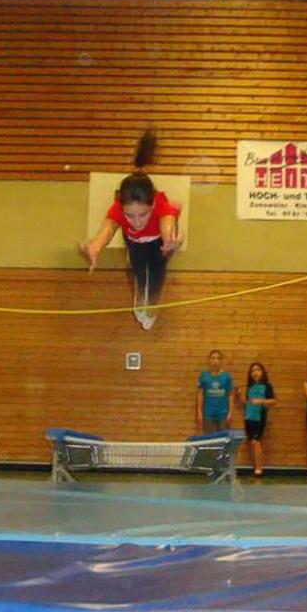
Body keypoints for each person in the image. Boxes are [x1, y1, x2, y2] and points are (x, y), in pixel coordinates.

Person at [78, 130, 182, 330]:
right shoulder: (117, 209)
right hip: (134, 245)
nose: (136, 222)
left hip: (158, 244)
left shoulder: (160, 204)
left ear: (152, 206)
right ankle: (140, 300)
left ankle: (152, 307)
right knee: (140, 274)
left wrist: (169, 239)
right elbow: (106, 230)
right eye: (130, 216)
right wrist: (94, 248)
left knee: (156, 277)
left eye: (142, 215)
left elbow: (167, 223)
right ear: (122, 207)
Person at [237, 361, 276, 477]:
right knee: (250, 442)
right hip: (249, 417)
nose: (255, 372)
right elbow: (246, 402)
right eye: (253, 370)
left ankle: (259, 468)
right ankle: (254, 466)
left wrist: (261, 401)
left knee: (256, 441)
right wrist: (239, 396)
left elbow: (273, 401)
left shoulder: (267, 386)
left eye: (258, 370)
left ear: (262, 372)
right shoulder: (249, 387)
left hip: (260, 417)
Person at [196, 349, 233, 434]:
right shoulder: (204, 376)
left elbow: (230, 395)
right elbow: (200, 395)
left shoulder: (226, 376)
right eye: (213, 358)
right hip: (208, 413)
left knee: (222, 439)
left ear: (221, 360)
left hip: (223, 414)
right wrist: (199, 412)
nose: (215, 361)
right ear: (209, 360)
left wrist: (230, 413)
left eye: (218, 358)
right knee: (208, 439)